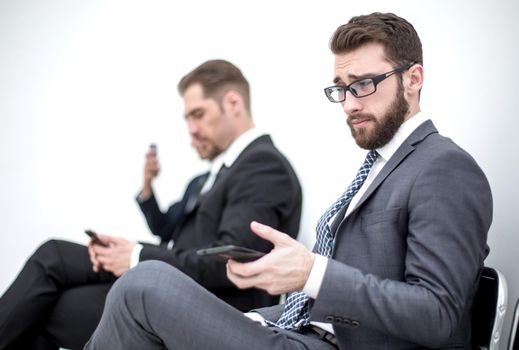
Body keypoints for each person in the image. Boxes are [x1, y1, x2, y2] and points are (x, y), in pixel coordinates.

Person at [85, 12, 493, 350]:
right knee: (144, 311)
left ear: (413, 78)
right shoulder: (380, 166)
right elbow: (329, 302)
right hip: (299, 333)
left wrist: (312, 272)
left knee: (144, 284)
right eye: (341, 89)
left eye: (364, 84)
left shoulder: (445, 167)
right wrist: (251, 320)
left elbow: (438, 315)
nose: (349, 104)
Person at [0, 59, 303, 350]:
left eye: (198, 114)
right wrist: (144, 199)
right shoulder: (207, 178)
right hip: (179, 283)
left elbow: (230, 261)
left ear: (233, 104)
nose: (191, 129)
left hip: (208, 306)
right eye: (187, 119)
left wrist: (135, 256)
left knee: (48, 302)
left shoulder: (262, 165)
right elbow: (167, 228)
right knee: (54, 260)